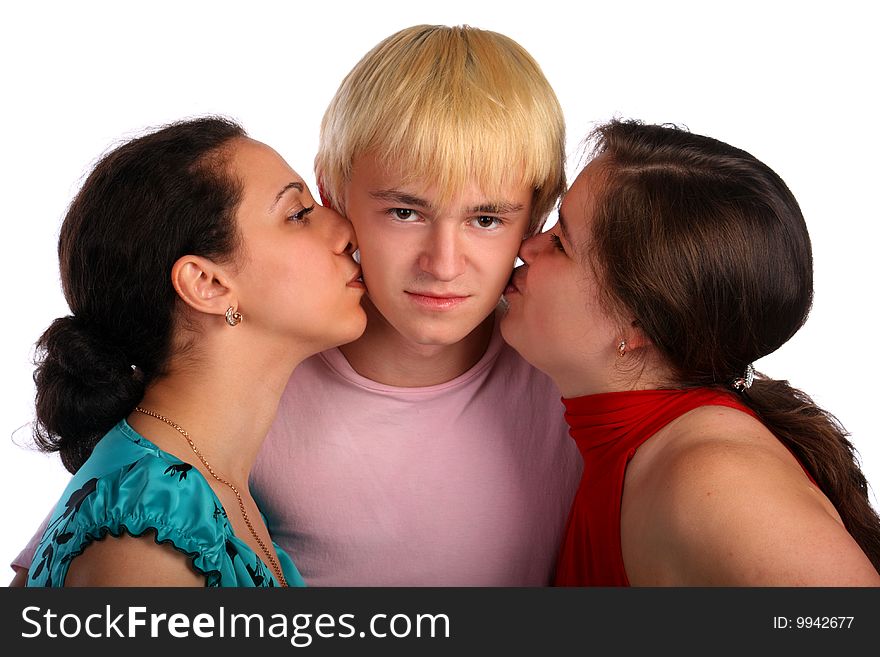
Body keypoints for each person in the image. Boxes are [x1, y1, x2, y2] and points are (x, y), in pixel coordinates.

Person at [13, 24, 581, 586]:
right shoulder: (215, 417)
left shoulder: (575, 370)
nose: (444, 263)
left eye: (487, 219)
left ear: (534, 221)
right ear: (337, 195)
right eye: (405, 212)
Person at [500, 119, 880, 586]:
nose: (526, 247)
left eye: (560, 243)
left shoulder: (717, 481)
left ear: (637, 322)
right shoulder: (643, 442)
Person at [22, 117, 367, 587]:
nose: (345, 230)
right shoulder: (144, 547)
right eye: (298, 213)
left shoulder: (207, 488)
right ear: (208, 284)